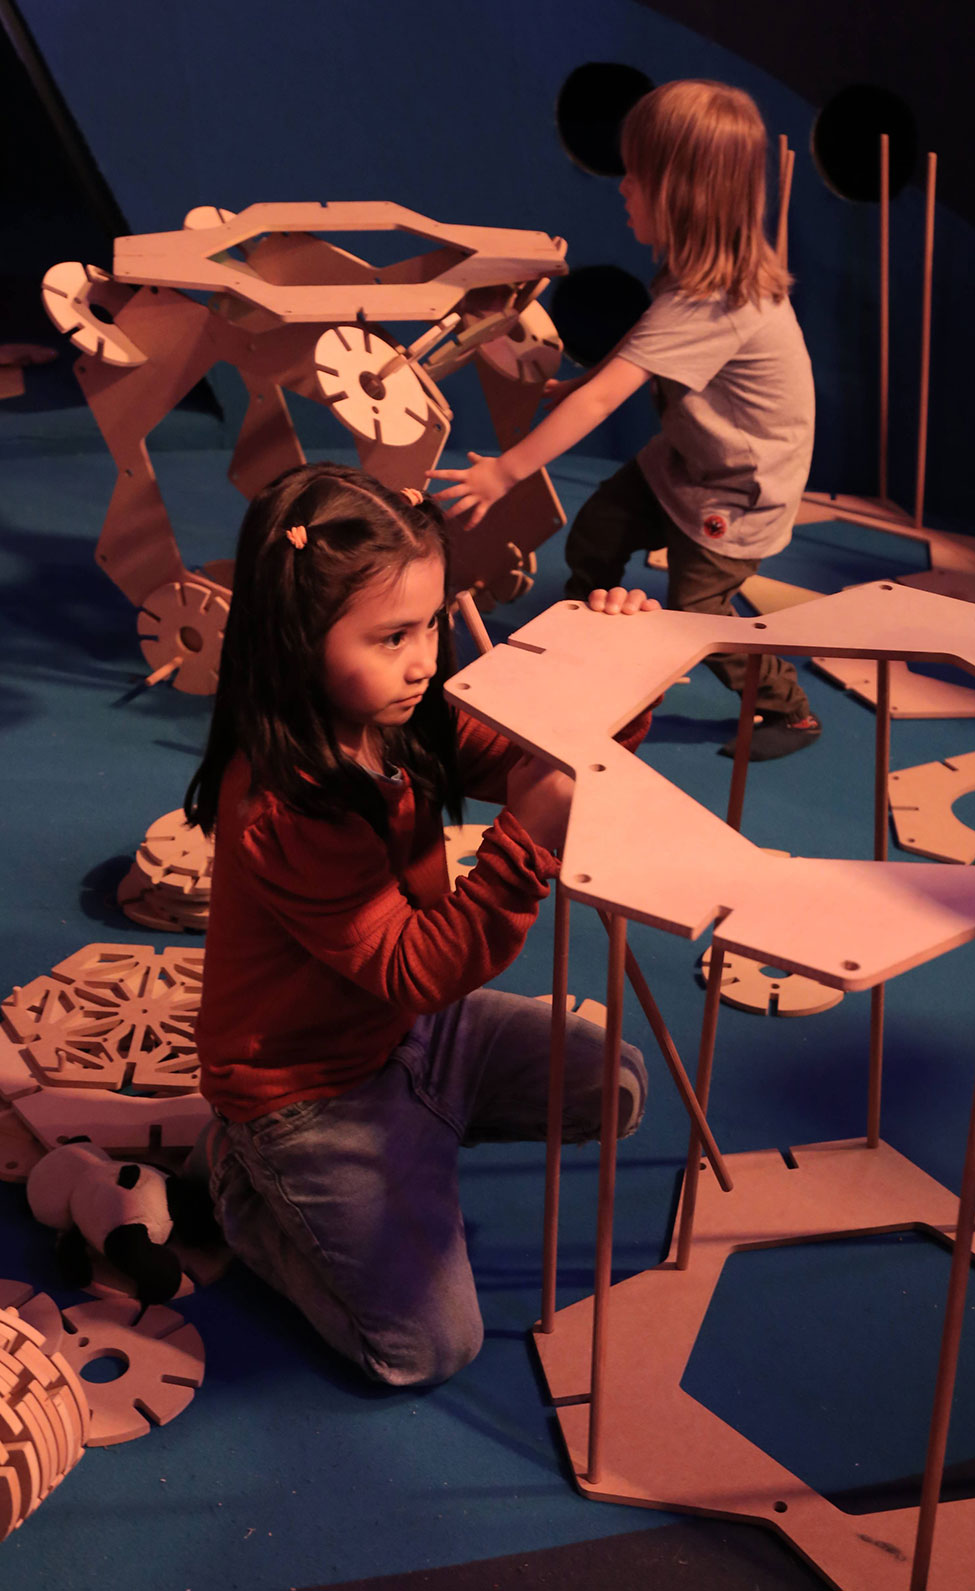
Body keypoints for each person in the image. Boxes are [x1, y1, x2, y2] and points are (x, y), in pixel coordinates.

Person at [183, 462, 655, 1387]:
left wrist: (619, 678)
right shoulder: (282, 805)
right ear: (297, 638)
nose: (424, 658)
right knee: (424, 1350)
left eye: (431, 622)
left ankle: (420, 1132)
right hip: (308, 1092)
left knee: (616, 1086)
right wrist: (526, 843)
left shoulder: (401, 711)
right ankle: (246, 1192)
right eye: (392, 635)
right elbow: (415, 964)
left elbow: (528, 755)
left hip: (416, 1032)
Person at [429, 78, 819, 762]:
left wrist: (505, 473)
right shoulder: (694, 277)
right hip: (686, 461)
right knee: (597, 535)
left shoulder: (713, 301)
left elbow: (606, 400)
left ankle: (788, 708)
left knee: (697, 612)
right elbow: (646, 344)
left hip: (736, 492)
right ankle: (587, 641)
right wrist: (585, 378)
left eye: (636, 176)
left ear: (682, 196)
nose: (622, 188)